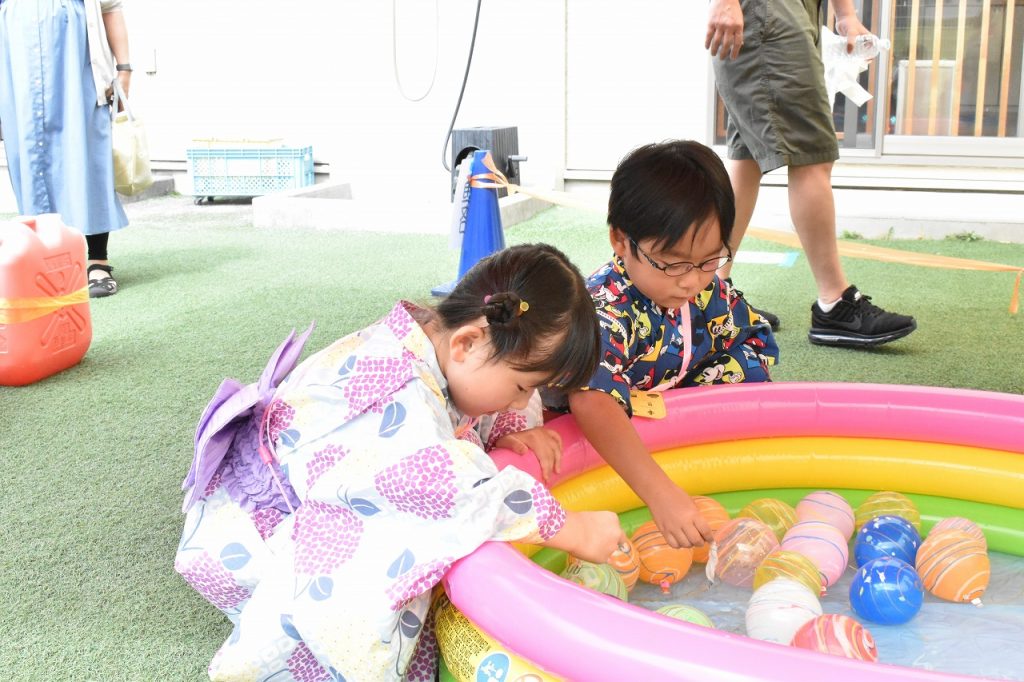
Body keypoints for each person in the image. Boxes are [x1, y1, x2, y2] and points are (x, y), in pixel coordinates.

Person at [175, 243, 625, 681]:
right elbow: (450, 488)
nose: (527, 401)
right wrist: (570, 528)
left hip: (281, 482)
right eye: (524, 387)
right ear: (468, 343)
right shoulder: (398, 392)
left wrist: (508, 425)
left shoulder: (429, 337)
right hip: (252, 538)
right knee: (383, 560)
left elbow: (476, 397)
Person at [553, 140, 779, 551]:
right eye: (673, 263)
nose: (691, 280)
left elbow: (753, 344)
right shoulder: (605, 308)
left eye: (710, 260)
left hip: (671, 416)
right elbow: (590, 398)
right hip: (593, 444)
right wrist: (660, 493)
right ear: (621, 241)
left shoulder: (708, 293)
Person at [705, 0, 917, 347]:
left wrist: (845, 14)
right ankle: (835, 303)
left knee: (748, 157)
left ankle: (708, 296)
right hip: (769, 10)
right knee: (812, 155)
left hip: (793, 11)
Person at [0, 0, 132, 298]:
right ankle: (41, 261)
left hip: (77, 64)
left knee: (86, 155)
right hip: (15, 68)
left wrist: (124, 69)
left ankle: (98, 260)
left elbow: (110, 7)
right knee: (29, 159)